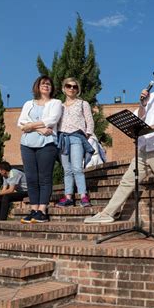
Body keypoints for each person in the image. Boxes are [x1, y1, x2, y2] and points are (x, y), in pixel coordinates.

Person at [84, 64, 154, 240]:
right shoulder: (151, 97)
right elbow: (139, 117)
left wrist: (148, 128)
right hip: (144, 148)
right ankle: (108, 213)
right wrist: (143, 104)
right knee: (127, 181)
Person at [18, 75, 62, 223]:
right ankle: (34, 209)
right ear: (37, 86)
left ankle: (42, 211)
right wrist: (40, 129)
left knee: (44, 178)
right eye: (43, 83)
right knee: (31, 178)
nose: (46, 86)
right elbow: (21, 122)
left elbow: (52, 120)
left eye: (49, 84)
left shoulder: (56, 103)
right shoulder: (28, 104)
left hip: (47, 144)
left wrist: (30, 126)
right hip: (26, 144)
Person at [56, 78, 95, 207]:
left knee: (77, 168)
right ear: (63, 88)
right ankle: (68, 197)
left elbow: (90, 122)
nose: (72, 88)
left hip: (77, 137)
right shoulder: (59, 106)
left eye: (75, 87)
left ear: (77, 90)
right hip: (62, 138)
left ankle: (83, 196)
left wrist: (86, 136)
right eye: (68, 86)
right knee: (66, 170)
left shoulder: (83, 103)